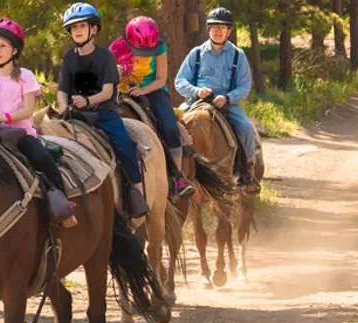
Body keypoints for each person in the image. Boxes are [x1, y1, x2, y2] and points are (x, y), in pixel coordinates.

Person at [0, 18, 77, 227]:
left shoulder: (25, 76)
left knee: (43, 159)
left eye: (3, 46)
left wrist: (3, 117)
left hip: (22, 134)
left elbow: (28, 111)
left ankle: (63, 206)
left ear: (14, 50)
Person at [56, 2, 149, 218]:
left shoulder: (105, 56)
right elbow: (62, 90)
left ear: (94, 29)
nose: (77, 31)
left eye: (82, 26)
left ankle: (135, 190)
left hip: (103, 113)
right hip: (73, 115)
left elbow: (108, 92)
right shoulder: (69, 58)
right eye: (74, 28)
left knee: (123, 143)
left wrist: (87, 102)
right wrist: (62, 107)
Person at [174, 6, 260, 194]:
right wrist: (196, 91)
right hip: (195, 102)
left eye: (222, 28)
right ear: (208, 29)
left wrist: (228, 97)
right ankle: (173, 172)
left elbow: (244, 86)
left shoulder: (238, 55)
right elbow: (179, 81)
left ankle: (247, 171)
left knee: (245, 128)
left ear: (229, 31)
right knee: (173, 125)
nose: (218, 31)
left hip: (226, 104)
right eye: (214, 27)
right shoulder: (196, 53)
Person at [110, 16, 195, 199]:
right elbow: (106, 74)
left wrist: (143, 90)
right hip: (121, 92)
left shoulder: (160, 47)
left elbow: (161, 78)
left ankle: (177, 179)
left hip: (153, 90)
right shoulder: (117, 47)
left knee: (170, 128)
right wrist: (116, 72)